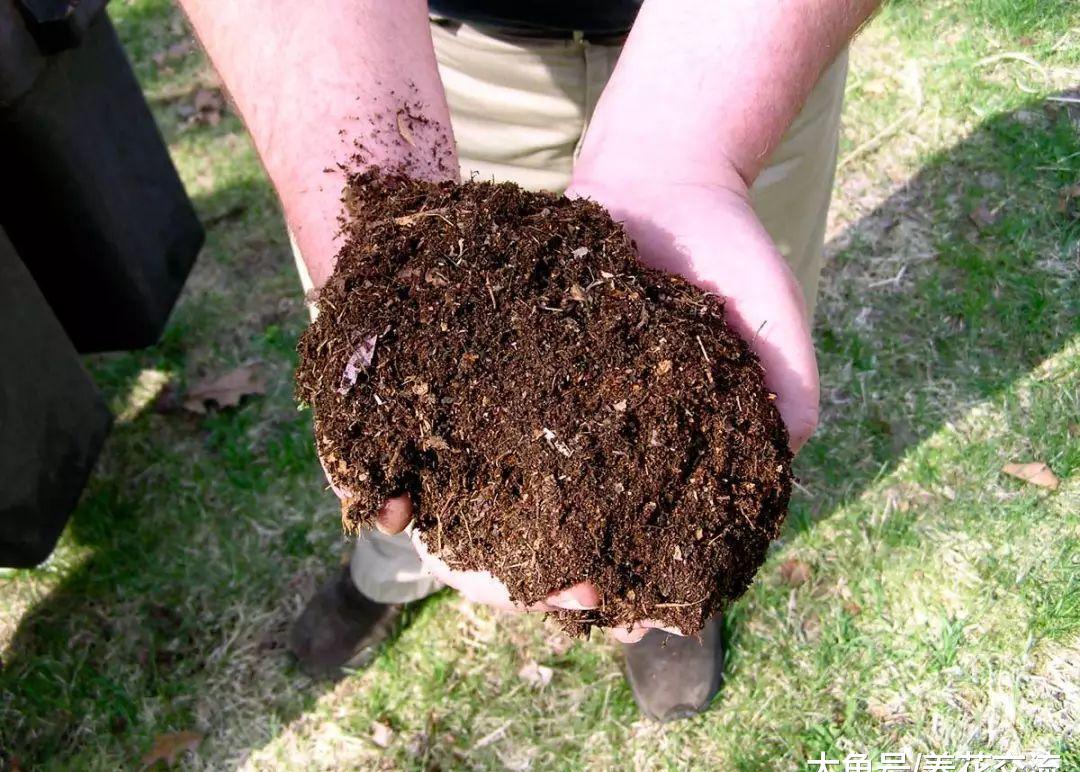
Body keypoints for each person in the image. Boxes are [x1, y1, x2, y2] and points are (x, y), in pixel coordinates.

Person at [178, 0, 880, 723]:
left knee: (731, 337)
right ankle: (389, 570)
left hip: (748, 48)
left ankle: (669, 598)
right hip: (411, 58)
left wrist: (694, 159)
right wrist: (384, 240)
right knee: (387, 401)